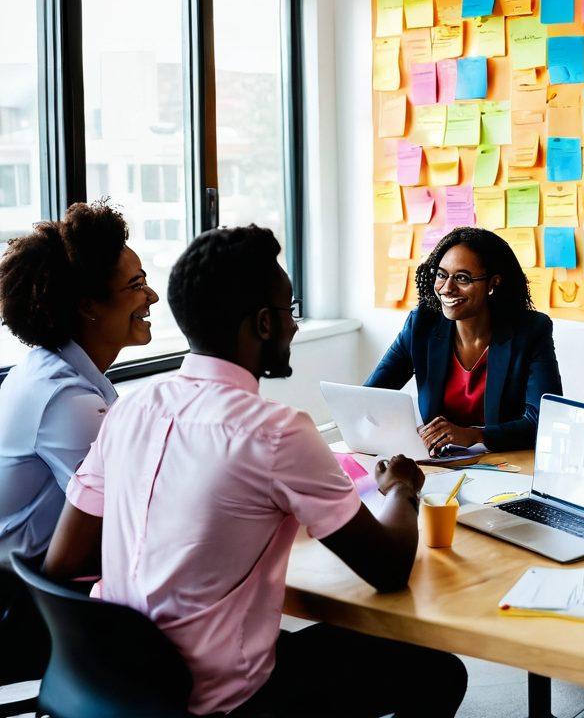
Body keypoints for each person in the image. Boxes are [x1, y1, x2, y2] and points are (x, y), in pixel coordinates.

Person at [43, 226, 466, 718]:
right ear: (264, 323)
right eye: (289, 311)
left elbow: (63, 560)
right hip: (217, 700)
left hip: (112, 681)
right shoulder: (276, 432)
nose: (294, 326)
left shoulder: (130, 409)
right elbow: (388, 569)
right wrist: (400, 489)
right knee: (437, 670)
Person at [0, 201, 157, 562]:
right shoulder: (66, 399)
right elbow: (128, 513)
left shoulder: (49, 369)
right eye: (136, 285)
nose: (152, 296)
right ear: (88, 307)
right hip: (25, 586)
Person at [367, 226, 562, 455]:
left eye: (462, 278)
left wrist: (475, 435)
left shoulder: (530, 331)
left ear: (493, 284)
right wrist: (403, 432)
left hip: (507, 462)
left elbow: (545, 418)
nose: (447, 288)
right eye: (441, 275)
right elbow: (370, 397)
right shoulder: (422, 325)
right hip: (440, 462)